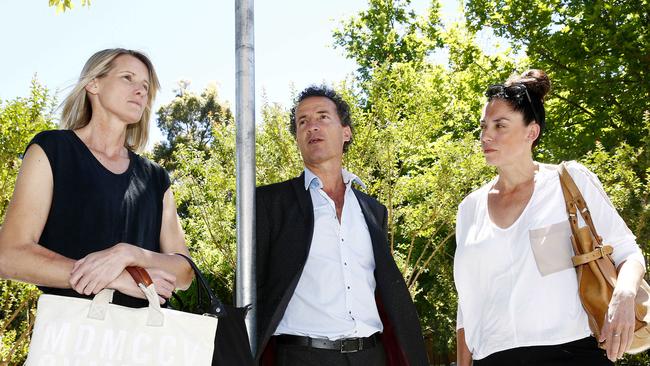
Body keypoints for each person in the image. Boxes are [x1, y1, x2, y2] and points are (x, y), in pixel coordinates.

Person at [453, 69, 646, 365]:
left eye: (500, 125)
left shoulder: (568, 182)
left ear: (532, 132)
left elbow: (628, 252)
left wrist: (624, 295)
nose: (486, 136)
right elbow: (467, 306)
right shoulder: (470, 208)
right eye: (484, 126)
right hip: (493, 357)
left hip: (572, 353)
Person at [0, 48, 193, 307]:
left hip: (145, 341)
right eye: (127, 77)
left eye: (145, 86)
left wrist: (128, 254)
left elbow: (185, 272)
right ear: (93, 83)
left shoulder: (155, 177)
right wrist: (118, 278)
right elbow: (9, 255)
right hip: (73, 339)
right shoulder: (52, 150)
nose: (141, 91)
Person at [255, 85, 429, 365]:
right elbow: (253, 292)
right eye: (303, 122)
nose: (312, 126)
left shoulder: (374, 211)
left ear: (346, 132)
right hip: (302, 357)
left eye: (322, 117)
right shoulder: (268, 204)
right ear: (297, 138)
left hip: (371, 355)